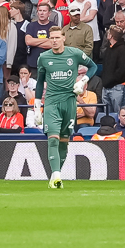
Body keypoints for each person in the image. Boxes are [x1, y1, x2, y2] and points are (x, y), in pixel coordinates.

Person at [35, 27, 94, 186]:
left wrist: (83, 81)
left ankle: (55, 175)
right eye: (51, 37)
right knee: (52, 139)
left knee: (64, 141)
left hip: (70, 102)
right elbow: (40, 82)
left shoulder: (74, 54)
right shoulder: (43, 57)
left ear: (63, 38)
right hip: (52, 103)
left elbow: (93, 66)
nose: (54, 40)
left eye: (56, 37)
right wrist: (37, 107)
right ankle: (56, 176)